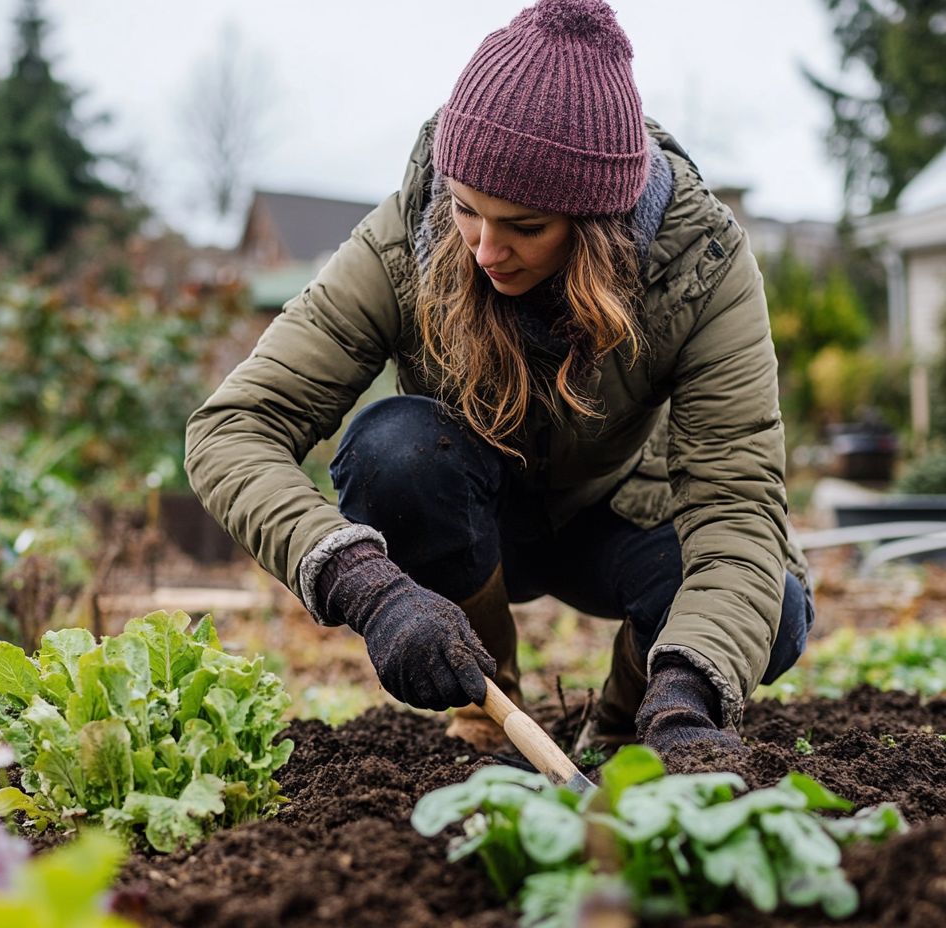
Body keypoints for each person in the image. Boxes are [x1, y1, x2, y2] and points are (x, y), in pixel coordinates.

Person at [185, 0, 813, 758]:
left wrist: (686, 698)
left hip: (619, 520)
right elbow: (232, 429)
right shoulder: (408, 234)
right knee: (396, 454)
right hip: (467, 519)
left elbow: (737, 507)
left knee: (771, 606)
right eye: (466, 210)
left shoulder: (699, 266)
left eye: (525, 227)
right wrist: (363, 583)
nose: (484, 249)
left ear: (597, 225)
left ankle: (628, 724)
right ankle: (493, 713)